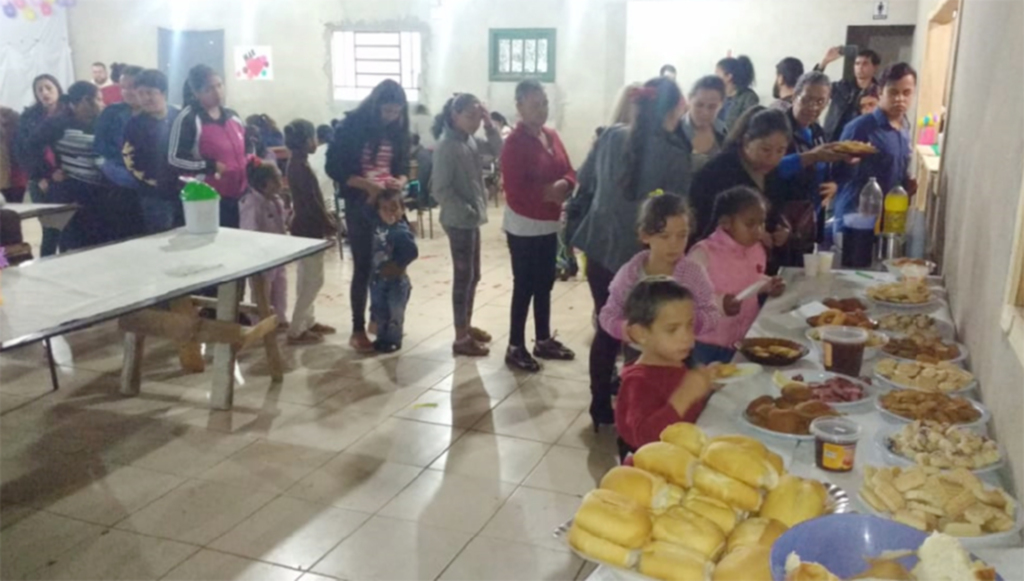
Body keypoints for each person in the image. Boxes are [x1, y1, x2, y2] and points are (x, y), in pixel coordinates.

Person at [572, 76, 690, 427]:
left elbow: (585, 179)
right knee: (640, 336)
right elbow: (676, 212)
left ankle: (599, 405)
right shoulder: (674, 154)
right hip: (641, 258)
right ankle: (633, 407)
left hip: (599, 248)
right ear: (670, 112)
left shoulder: (609, 136)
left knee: (608, 326)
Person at [599, 193, 722, 410]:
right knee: (640, 409)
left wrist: (687, 325)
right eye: (664, 237)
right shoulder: (630, 274)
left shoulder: (693, 273)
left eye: (682, 236)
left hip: (681, 356)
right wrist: (628, 330)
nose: (674, 245)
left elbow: (712, 312)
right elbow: (607, 314)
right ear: (645, 235)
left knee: (680, 409)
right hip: (638, 358)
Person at [325, 79, 410, 353]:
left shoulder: (398, 130)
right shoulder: (352, 127)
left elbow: (403, 166)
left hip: (390, 202)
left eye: (396, 112)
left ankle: (381, 320)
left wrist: (401, 180)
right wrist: (367, 186)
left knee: (392, 263)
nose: (391, 117)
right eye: (386, 111)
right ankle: (357, 328)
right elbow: (334, 168)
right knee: (363, 266)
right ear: (375, 106)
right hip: (362, 203)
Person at [500, 80, 578, 371]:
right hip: (524, 225)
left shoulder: (552, 136)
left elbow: (569, 169)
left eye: (544, 103)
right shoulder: (514, 143)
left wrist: (564, 184)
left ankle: (543, 339)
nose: (542, 110)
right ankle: (515, 345)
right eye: (535, 104)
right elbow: (515, 190)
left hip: (548, 222)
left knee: (545, 283)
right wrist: (547, 194)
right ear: (519, 107)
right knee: (525, 286)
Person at [431, 93, 503, 357]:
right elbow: (440, 189)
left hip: (470, 219)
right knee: (464, 277)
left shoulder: (469, 140)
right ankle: (460, 339)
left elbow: (498, 150)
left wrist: (488, 123)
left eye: (477, 115)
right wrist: (467, 210)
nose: (474, 121)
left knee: (474, 275)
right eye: (469, 116)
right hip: (458, 220)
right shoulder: (447, 146)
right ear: (455, 116)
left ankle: (466, 326)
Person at [615, 277, 715, 455]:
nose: (687, 337)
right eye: (672, 329)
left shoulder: (676, 361)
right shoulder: (638, 383)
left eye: (690, 325)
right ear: (640, 334)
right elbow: (645, 439)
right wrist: (685, 395)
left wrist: (707, 383)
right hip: (658, 468)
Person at [688, 186, 785, 363]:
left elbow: (752, 279)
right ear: (726, 222)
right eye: (750, 224)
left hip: (745, 339)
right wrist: (720, 304)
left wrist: (768, 284)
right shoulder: (703, 253)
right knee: (708, 390)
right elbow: (689, 296)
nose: (758, 230)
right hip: (706, 345)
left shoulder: (756, 248)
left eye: (762, 223)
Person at [773, 71, 852, 267]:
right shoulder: (777, 126)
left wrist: (832, 184)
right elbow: (770, 168)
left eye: (820, 101)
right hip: (779, 221)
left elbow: (823, 170)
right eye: (807, 99)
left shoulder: (817, 132)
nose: (813, 107)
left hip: (807, 225)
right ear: (794, 96)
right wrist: (812, 156)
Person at [833, 63, 918, 238]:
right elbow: (836, 173)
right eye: (893, 92)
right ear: (880, 92)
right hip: (855, 223)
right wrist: (847, 163)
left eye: (906, 93)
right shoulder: (861, 127)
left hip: (887, 224)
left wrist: (906, 186)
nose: (900, 99)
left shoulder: (904, 130)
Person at [689, 106, 791, 249]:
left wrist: (782, 228)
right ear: (746, 141)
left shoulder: (773, 174)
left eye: (781, 151)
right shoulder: (718, 173)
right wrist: (753, 233)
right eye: (765, 149)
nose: (773, 158)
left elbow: (773, 213)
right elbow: (705, 226)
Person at [28, 81, 106, 251]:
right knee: (72, 242)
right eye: (99, 99)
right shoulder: (59, 123)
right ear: (85, 101)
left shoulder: (103, 122)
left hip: (100, 192)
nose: (103, 104)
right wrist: (48, 172)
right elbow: (30, 146)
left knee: (98, 242)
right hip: (70, 191)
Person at [169, 64, 249, 228]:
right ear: (196, 93)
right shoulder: (188, 119)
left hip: (238, 195)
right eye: (209, 89)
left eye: (219, 85)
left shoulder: (232, 116)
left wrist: (250, 160)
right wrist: (210, 166)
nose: (217, 92)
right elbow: (174, 159)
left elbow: (246, 147)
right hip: (205, 198)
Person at [284, 119, 338, 345]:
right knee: (314, 281)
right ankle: (296, 329)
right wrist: (329, 224)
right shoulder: (301, 167)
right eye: (314, 137)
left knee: (306, 278)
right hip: (309, 228)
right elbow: (312, 203)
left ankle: (308, 320)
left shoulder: (297, 163)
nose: (316, 141)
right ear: (306, 141)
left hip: (304, 226)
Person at [123, 69, 183, 234]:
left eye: (150, 93)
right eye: (140, 93)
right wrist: (154, 181)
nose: (145, 98)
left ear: (163, 93)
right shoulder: (134, 125)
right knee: (161, 239)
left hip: (184, 190)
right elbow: (129, 159)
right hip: (154, 194)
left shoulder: (181, 118)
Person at [15, 74, 66, 256]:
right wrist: (42, 176)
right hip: (40, 180)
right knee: (50, 230)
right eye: (40, 89)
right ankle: (47, 267)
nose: (45, 93)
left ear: (58, 89)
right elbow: (23, 152)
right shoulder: (29, 117)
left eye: (48, 88)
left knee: (70, 230)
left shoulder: (69, 112)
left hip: (67, 176)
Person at [95, 64, 144, 241]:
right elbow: (100, 146)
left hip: (153, 184)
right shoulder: (112, 113)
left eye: (133, 87)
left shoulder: (157, 111)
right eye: (123, 88)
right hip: (119, 182)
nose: (128, 92)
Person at [240, 157, 290, 324]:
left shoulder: (276, 201)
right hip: (260, 257)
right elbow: (249, 232)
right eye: (277, 180)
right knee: (262, 291)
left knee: (280, 287)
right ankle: (260, 322)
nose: (281, 183)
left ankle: (279, 318)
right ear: (266, 183)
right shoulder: (252, 204)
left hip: (277, 253)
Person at [368, 188, 418, 353]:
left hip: (397, 281)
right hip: (377, 279)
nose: (390, 213)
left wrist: (397, 266)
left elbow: (412, 252)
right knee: (380, 309)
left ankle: (394, 340)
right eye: (385, 209)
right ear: (378, 211)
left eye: (394, 208)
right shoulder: (378, 226)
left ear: (402, 209)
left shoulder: (401, 231)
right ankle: (382, 338)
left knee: (395, 312)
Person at [816, 47, 881, 141]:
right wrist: (824, 62)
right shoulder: (841, 87)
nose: (860, 67)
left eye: (865, 63)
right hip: (834, 141)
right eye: (857, 63)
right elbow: (814, 86)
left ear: (875, 67)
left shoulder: (880, 93)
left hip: (863, 143)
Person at [682, 75, 727, 173]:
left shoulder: (723, 132)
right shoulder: (675, 131)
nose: (705, 112)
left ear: (721, 105)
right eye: (699, 105)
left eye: (712, 107)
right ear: (689, 100)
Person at [716, 55, 759, 130]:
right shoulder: (717, 96)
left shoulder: (749, 97)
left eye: (717, 74)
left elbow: (747, 125)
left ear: (729, 76)